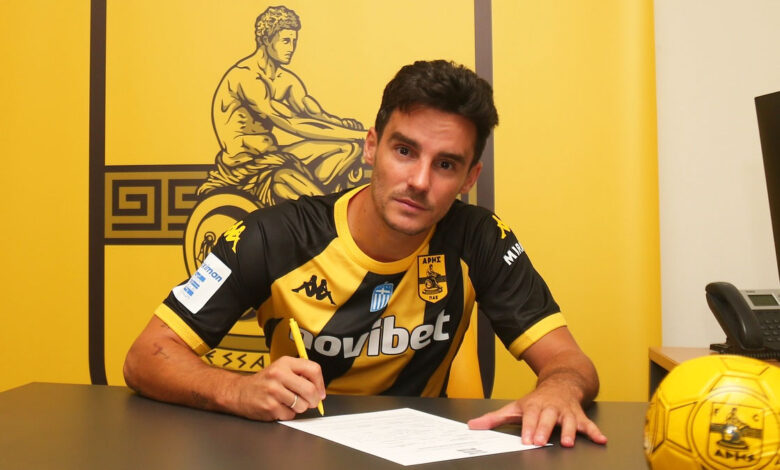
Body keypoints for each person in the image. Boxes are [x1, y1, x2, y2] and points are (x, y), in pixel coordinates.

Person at [124, 59, 608, 448]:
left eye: (445, 164)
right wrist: (238, 389)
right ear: (371, 147)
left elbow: (571, 362)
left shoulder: (481, 238)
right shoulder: (270, 236)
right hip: (294, 449)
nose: (419, 181)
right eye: (404, 151)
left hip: (419, 454)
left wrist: (557, 391)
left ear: (469, 178)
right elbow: (146, 356)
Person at [198, 6, 366, 205]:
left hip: (275, 155)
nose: (292, 47)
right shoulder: (246, 76)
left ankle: (315, 201)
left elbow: (316, 116)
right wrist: (360, 135)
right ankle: (324, 211)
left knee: (349, 149)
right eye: (286, 41)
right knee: (286, 179)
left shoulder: (286, 80)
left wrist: (348, 129)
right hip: (244, 167)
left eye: (294, 41)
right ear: (266, 40)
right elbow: (292, 124)